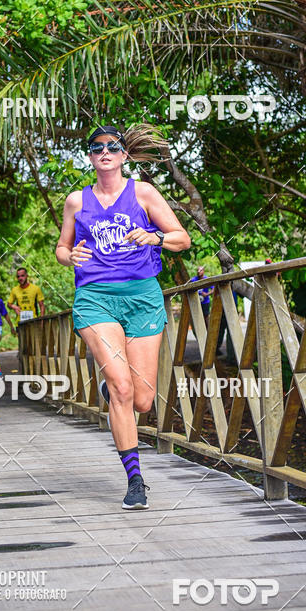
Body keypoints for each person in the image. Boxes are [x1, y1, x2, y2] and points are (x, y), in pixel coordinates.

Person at [55, 124, 191, 510]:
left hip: (142, 298)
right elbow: (62, 249)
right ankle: (135, 480)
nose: (105, 152)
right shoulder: (76, 202)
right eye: (96, 147)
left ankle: (112, 390)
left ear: (124, 155)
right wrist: (71, 256)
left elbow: (183, 239)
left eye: (112, 146)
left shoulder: (144, 193)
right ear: (90, 156)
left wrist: (156, 238)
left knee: (143, 400)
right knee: (122, 388)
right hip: (96, 299)